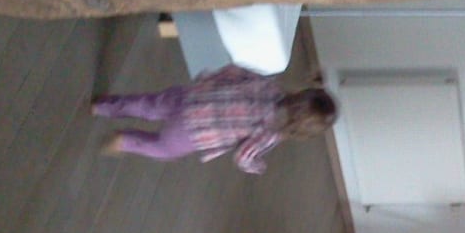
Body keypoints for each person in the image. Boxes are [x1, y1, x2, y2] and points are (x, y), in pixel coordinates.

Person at [91, 65, 337, 174]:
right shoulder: (270, 132)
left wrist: (211, 81)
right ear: (303, 131)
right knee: (163, 148)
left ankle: (103, 106)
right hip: (195, 131)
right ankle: (124, 141)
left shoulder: (270, 87)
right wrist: (256, 166)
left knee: (149, 105)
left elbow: (235, 71)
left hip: (195, 96)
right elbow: (243, 157)